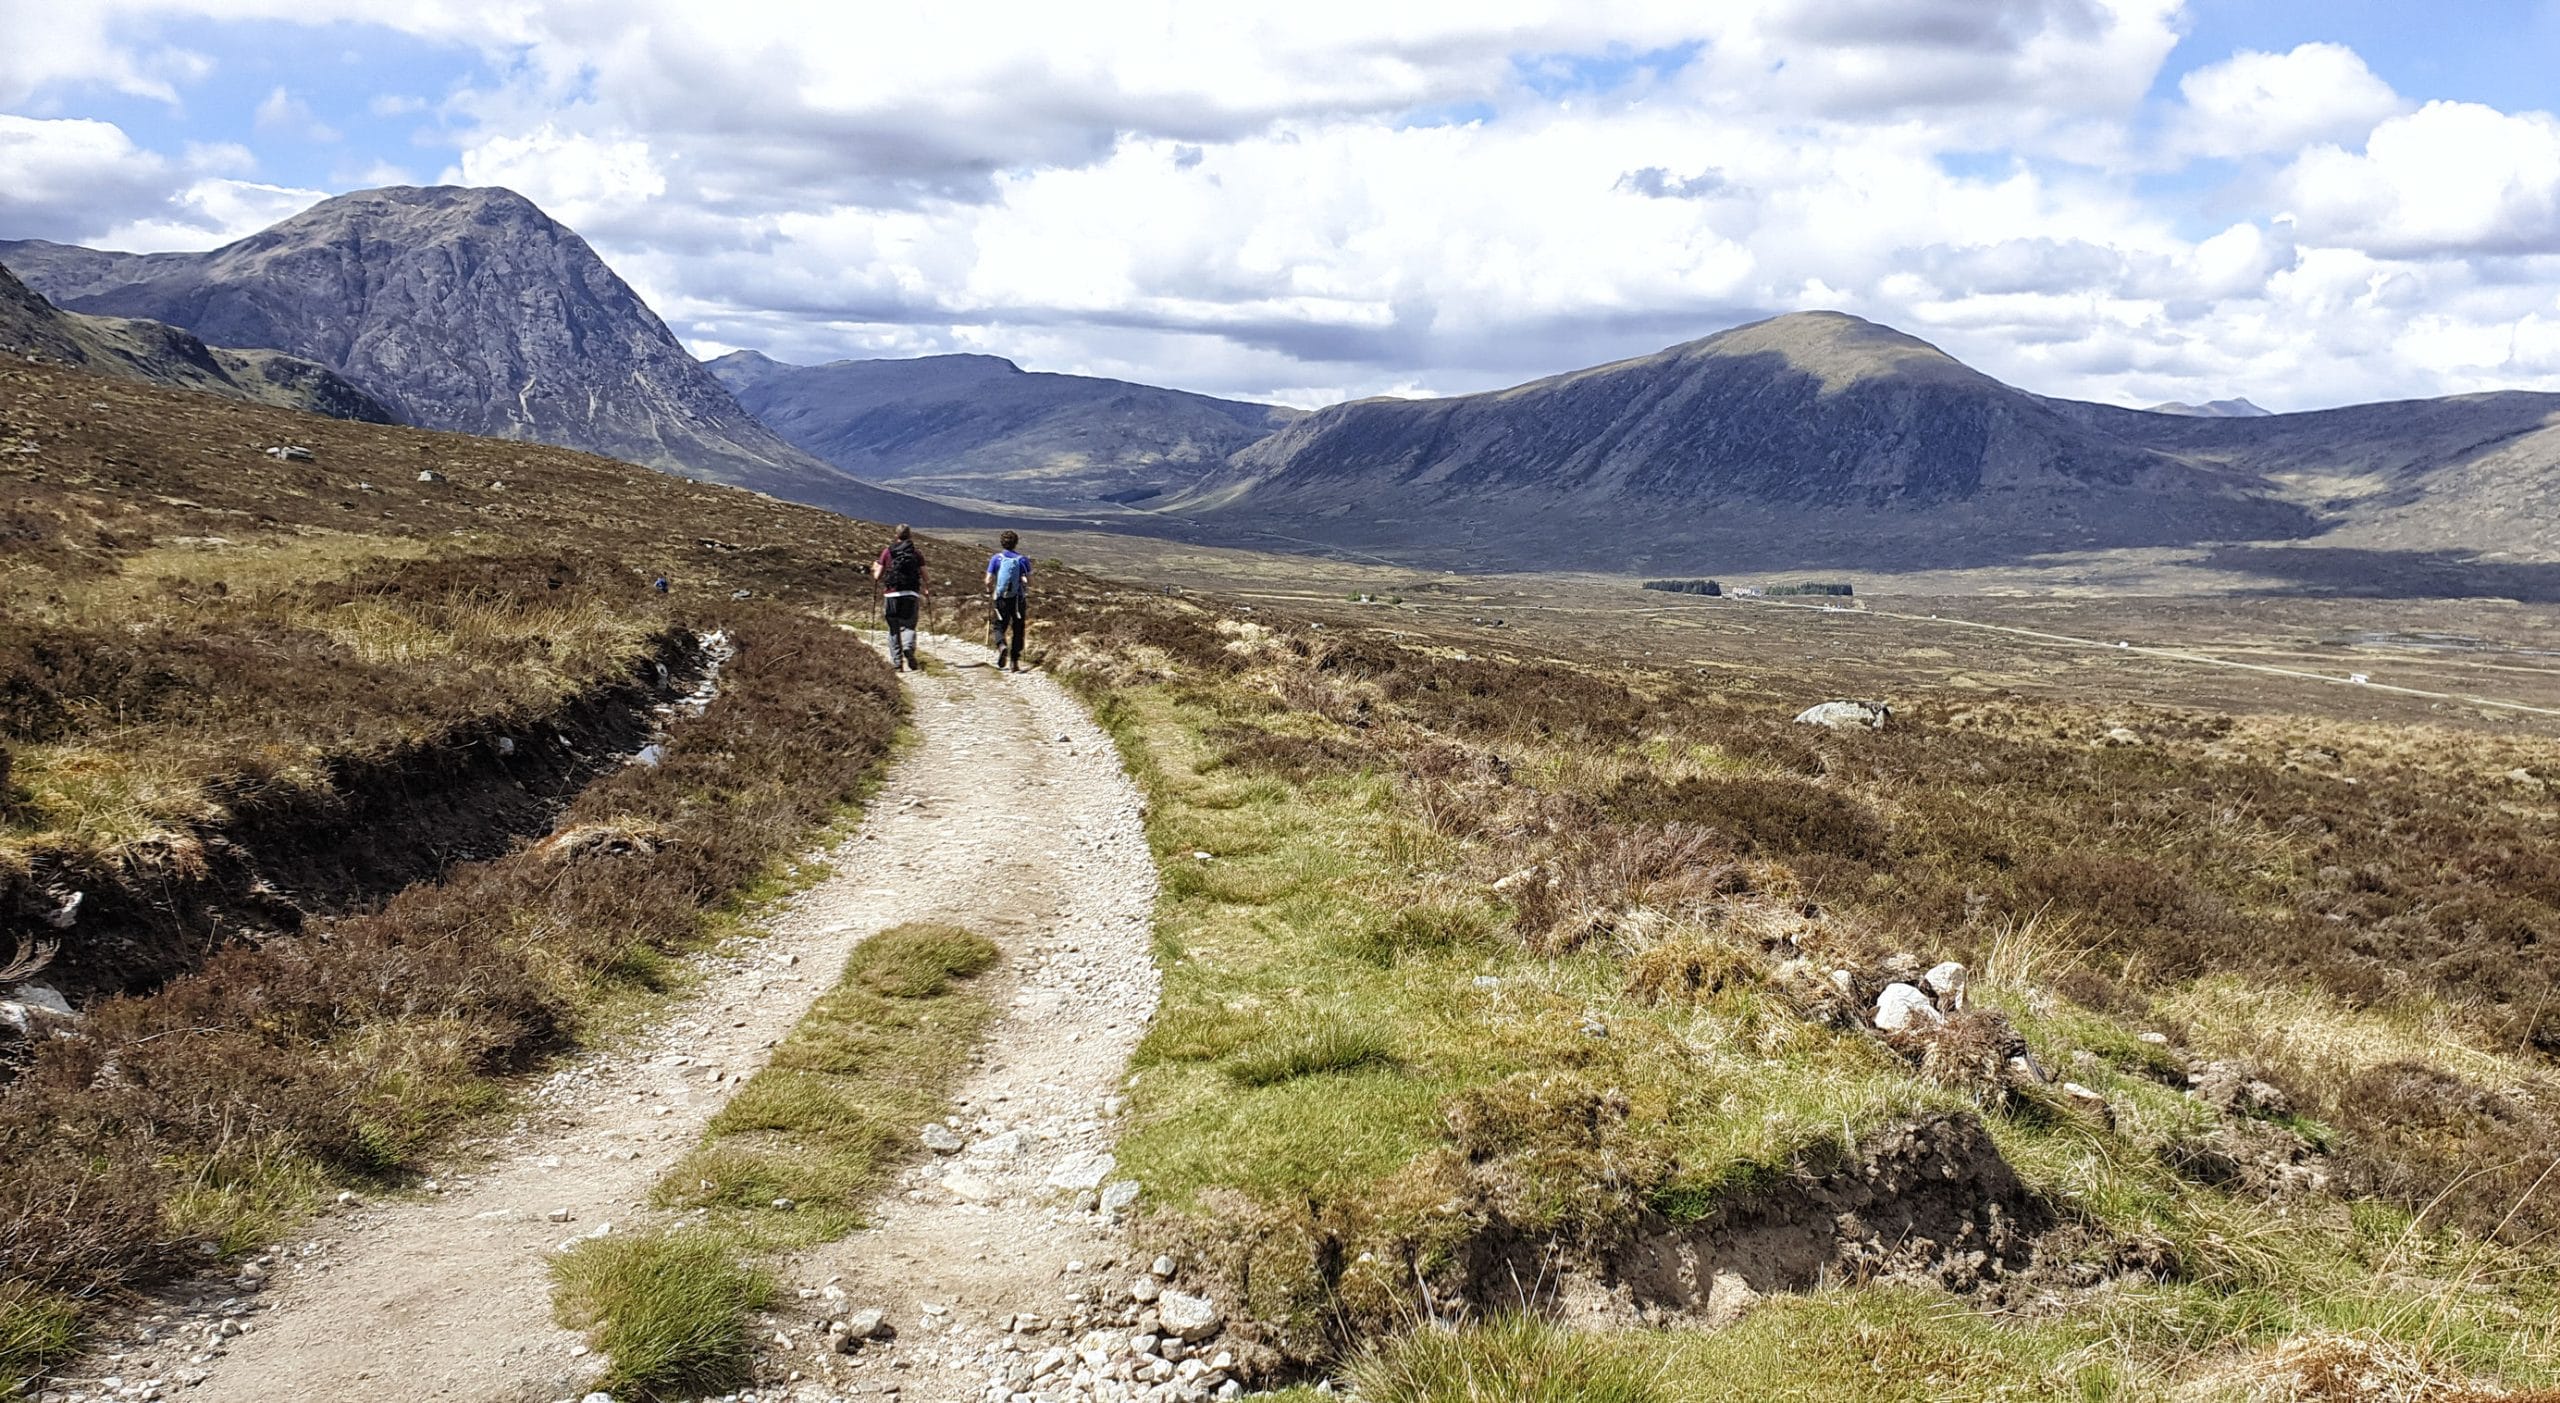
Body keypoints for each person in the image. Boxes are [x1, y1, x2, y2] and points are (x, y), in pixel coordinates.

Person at [871, 524, 928, 671]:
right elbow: (926, 576)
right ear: (910, 536)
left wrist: (875, 568)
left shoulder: (887, 552)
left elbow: (878, 576)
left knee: (893, 629)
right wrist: (927, 588)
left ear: (896, 535)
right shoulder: (916, 553)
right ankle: (908, 648)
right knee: (909, 625)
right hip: (911, 594)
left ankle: (897, 663)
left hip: (892, 594)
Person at [984, 530, 1032, 672]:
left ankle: (1001, 645)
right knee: (1018, 628)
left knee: (999, 626)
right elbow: (1031, 581)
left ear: (1002, 543)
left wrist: (989, 590)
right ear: (1016, 543)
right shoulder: (1022, 560)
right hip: (1018, 599)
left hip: (1001, 598)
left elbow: (988, 580)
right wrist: (1022, 580)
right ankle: (1014, 662)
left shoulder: (996, 559)